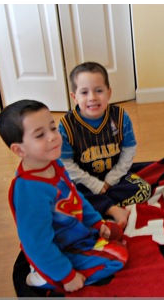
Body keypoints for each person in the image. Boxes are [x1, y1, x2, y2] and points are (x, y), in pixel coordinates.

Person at [0, 99, 128, 293]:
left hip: (75, 234)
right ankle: (43, 277)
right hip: (57, 249)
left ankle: (85, 248)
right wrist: (67, 276)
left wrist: (96, 223)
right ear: (19, 150)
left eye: (53, 128)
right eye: (40, 135)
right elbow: (37, 244)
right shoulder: (30, 192)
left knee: (115, 232)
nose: (53, 137)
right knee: (118, 258)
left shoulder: (53, 163)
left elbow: (76, 199)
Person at [58, 62, 151, 229]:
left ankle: (97, 208)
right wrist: (94, 185)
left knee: (144, 189)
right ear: (74, 97)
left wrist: (110, 180)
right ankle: (111, 208)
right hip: (83, 181)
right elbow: (65, 163)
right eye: (84, 92)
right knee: (65, 195)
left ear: (109, 92)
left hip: (113, 177)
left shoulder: (120, 116)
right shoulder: (66, 125)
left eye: (99, 90)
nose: (92, 97)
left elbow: (128, 149)